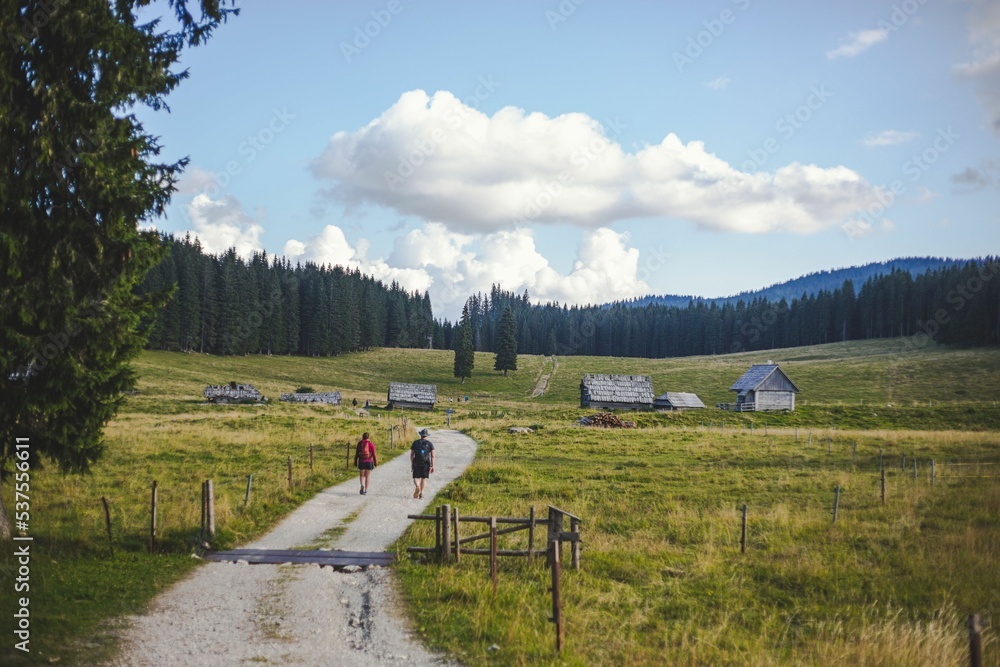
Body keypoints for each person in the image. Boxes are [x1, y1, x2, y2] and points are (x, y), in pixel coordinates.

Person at [410, 428, 435, 499]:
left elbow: (411, 455)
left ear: (420, 435)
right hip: (426, 464)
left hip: (416, 463)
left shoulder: (415, 443)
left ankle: (417, 486)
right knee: (424, 478)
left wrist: (412, 463)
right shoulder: (430, 444)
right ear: (426, 436)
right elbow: (433, 456)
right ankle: (421, 493)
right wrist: (432, 466)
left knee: (416, 477)